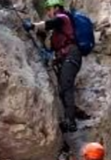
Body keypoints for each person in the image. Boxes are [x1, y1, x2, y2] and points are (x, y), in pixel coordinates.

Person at [32, 0, 82, 133]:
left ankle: (71, 122)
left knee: (66, 87)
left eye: (49, 9)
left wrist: (33, 26)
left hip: (71, 55)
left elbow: (50, 24)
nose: (48, 12)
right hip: (66, 58)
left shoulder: (62, 17)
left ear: (56, 7)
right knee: (63, 88)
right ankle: (69, 117)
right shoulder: (59, 28)